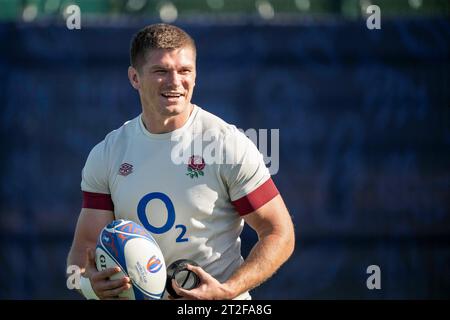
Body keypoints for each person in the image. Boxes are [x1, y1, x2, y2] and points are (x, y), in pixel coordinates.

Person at [66, 23, 295, 300]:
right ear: (135, 78)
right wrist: (91, 285)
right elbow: (83, 252)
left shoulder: (227, 144)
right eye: (161, 71)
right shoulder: (108, 154)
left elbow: (279, 232)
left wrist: (228, 290)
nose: (175, 82)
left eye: (185, 71)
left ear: (195, 76)